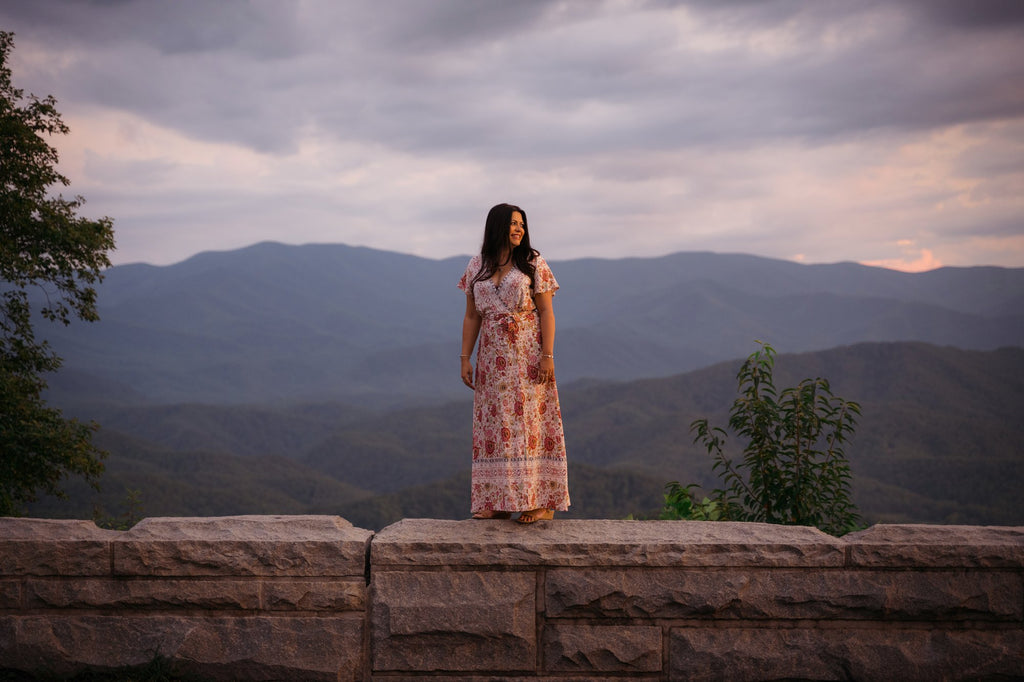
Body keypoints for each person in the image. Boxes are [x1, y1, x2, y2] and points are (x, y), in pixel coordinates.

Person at [457, 203, 570, 524]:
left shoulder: (533, 263)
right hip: (491, 360)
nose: (519, 229)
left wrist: (547, 355)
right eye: (512, 224)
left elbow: (547, 312)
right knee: (495, 427)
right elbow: (470, 316)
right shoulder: (476, 265)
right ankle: (498, 499)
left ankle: (541, 501)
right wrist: (465, 358)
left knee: (529, 425)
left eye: (522, 224)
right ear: (497, 227)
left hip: (527, 355)